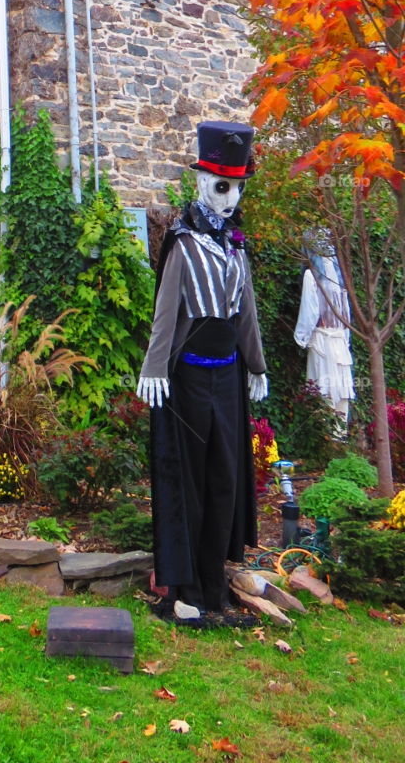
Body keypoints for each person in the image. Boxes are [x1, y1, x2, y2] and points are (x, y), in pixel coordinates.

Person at [137, 121, 269, 620]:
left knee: (224, 478)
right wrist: (155, 366)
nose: (231, 197)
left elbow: (246, 313)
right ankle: (183, 591)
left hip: (228, 378)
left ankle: (214, 586)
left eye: (237, 187)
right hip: (189, 379)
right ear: (200, 184)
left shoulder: (235, 247)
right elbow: (166, 310)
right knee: (186, 480)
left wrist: (256, 366)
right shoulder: (183, 243)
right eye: (222, 186)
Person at [294, 228, 354, 423]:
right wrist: (346, 338)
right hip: (339, 342)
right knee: (340, 391)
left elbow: (309, 310)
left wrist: (301, 337)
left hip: (322, 339)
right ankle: (340, 437)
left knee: (323, 390)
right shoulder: (340, 278)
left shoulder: (312, 276)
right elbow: (346, 314)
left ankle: (329, 441)